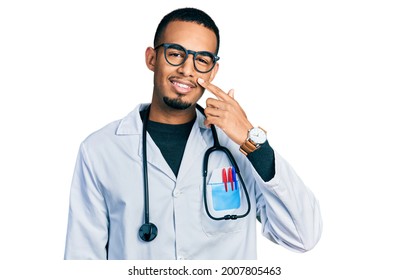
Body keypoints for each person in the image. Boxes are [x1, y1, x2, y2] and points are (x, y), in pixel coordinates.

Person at [64, 7, 322, 260]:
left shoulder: (238, 149)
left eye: (201, 60)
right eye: (175, 54)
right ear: (151, 59)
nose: (187, 70)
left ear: (212, 71)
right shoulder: (100, 149)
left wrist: (251, 140)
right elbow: (83, 258)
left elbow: (303, 237)